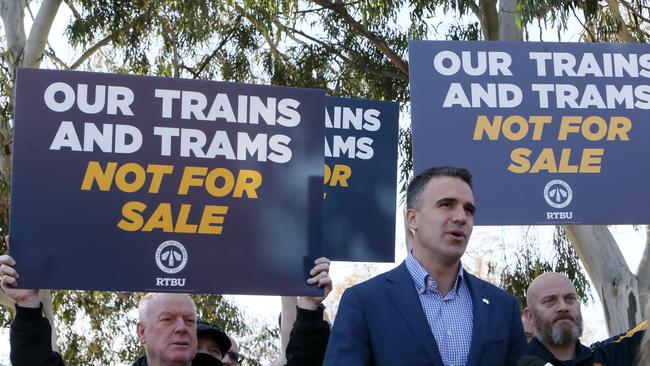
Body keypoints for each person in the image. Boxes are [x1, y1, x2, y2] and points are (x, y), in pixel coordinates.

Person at [323, 166, 527, 365]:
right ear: (413, 219)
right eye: (447, 204)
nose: (461, 217)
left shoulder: (503, 306)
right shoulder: (364, 302)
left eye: (469, 210)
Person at [524, 271, 647, 365]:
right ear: (530, 316)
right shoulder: (513, 361)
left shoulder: (609, 357)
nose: (563, 307)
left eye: (570, 299)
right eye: (550, 301)